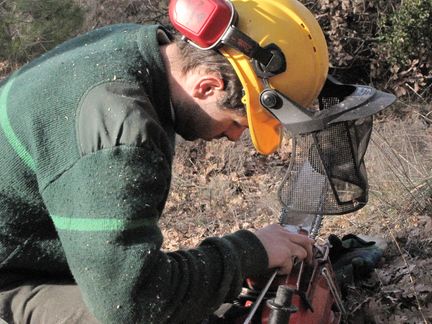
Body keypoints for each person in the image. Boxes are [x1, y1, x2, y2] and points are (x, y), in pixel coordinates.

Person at [0, 0, 328, 323]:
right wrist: (249, 251)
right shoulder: (121, 129)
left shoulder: (141, 50)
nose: (234, 137)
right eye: (238, 122)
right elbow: (132, 302)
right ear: (208, 85)